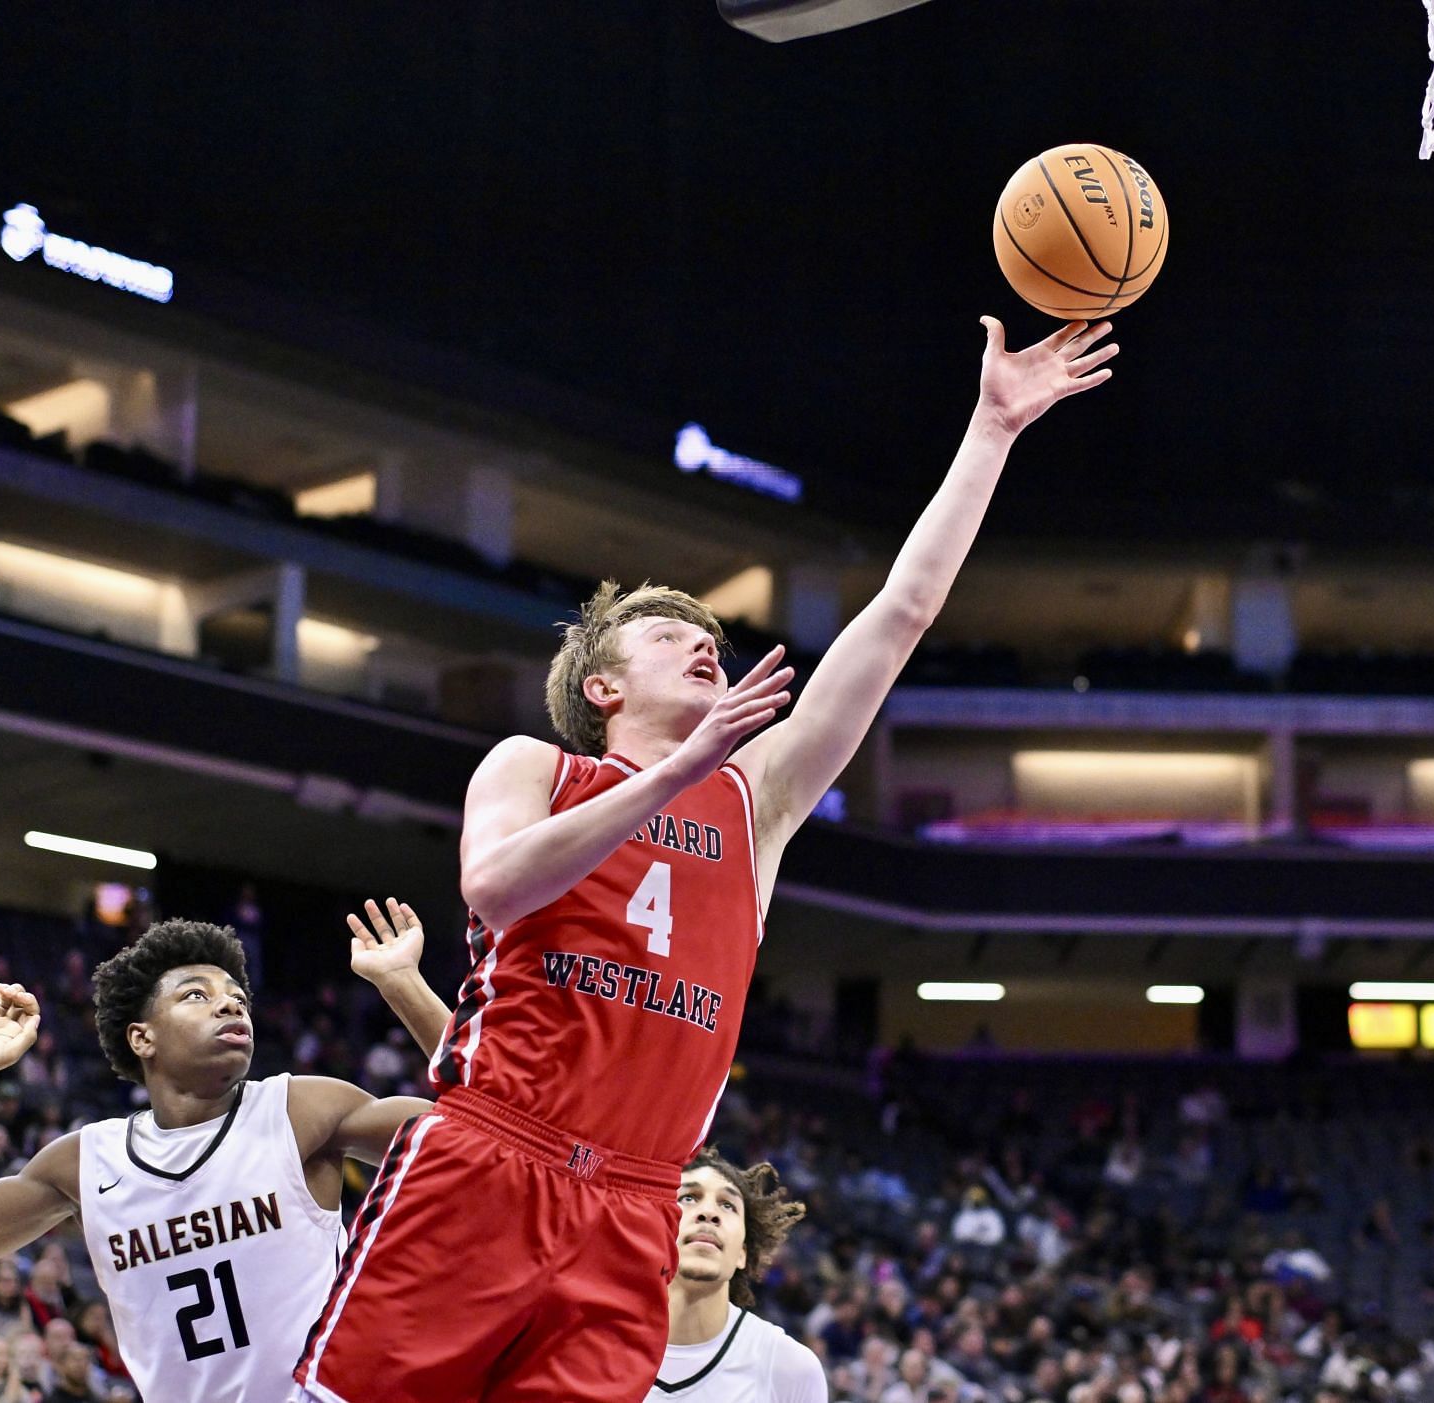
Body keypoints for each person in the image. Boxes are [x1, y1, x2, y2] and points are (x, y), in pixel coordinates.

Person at [294, 313, 1119, 1403]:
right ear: (602, 688)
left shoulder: (756, 797)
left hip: (637, 1205)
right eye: (664, 632)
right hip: (488, 1156)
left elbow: (903, 613)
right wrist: (672, 775)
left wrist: (993, 428)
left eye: (709, 635)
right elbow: (494, 886)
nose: (703, 641)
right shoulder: (534, 766)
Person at [0, 903, 452, 1403]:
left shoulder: (302, 1109)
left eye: (237, 999)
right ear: (142, 1038)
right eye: (197, 996)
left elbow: (495, 1135)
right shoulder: (86, 1162)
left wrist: (403, 984)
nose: (229, 1007)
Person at [646, 1148, 823, 1402]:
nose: (709, 1213)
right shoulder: (595, 1343)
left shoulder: (790, 1369)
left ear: (742, 1253)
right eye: (688, 1198)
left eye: (728, 1205)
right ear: (656, 1227)